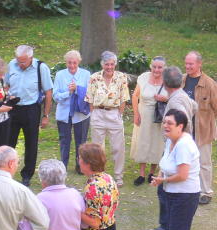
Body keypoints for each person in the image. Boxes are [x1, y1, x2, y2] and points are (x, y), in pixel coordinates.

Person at [150, 109, 200, 230]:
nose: (165, 126)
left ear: (181, 126)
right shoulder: (171, 141)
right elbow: (165, 163)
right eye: (164, 122)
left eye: (170, 123)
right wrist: (160, 176)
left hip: (185, 196)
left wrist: (163, 181)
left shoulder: (184, 145)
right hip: (171, 193)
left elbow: (183, 175)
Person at [145, 66, 197, 230]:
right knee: (164, 188)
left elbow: (183, 121)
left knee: (164, 188)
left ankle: (167, 227)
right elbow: (195, 107)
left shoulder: (175, 101)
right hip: (176, 145)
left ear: (165, 83)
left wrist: (177, 140)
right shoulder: (182, 96)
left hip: (176, 147)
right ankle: (168, 225)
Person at [5, 45, 53, 187]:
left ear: (31, 58)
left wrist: (45, 115)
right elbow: (6, 85)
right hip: (12, 108)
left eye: (23, 61)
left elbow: (49, 92)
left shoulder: (41, 68)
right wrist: (7, 95)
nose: (20, 64)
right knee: (8, 142)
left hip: (31, 110)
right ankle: (5, 172)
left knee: (31, 144)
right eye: (18, 61)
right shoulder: (11, 65)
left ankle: (27, 175)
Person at [85, 51, 130, 187]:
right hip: (98, 113)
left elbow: (124, 98)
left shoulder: (121, 77)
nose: (109, 67)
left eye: (112, 64)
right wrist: (93, 113)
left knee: (118, 147)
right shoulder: (94, 77)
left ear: (115, 64)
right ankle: (98, 175)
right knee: (97, 148)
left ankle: (118, 176)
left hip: (114, 114)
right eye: (106, 64)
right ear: (102, 64)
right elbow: (90, 98)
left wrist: (119, 114)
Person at [182, 51, 217, 205]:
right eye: (186, 63)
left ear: (199, 64)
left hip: (203, 131)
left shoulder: (209, 83)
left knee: (204, 162)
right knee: (186, 160)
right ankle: (189, 189)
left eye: (191, 64)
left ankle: (206, 192)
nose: (187, 66)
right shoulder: (182, 80)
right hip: (185, 129)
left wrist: (205, 121)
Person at [130, 56, 167, 186]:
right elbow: (135, 96)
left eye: (160, 67)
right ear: (151, 66)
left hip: (160, 116)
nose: (156, 70)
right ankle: (141, 174)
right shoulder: (143, 77)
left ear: (164, 68)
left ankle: (152, 172)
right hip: (144, 114)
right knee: (143, 142)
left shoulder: (168, 80)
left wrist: (164, 99)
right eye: (154, 66)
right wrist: (136, 114)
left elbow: (174, 97)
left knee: (157, 143)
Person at [53, 50, 91, 174]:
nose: (72, 65)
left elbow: (90, 93)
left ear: (79, 62)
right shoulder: (60, 75)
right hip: (64, 113)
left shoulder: (86, 74)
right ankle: (63, 165)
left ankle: (80, 166)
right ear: (66, 62)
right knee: (64, 140)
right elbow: (55, 96)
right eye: (69, 63)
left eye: (74, 62)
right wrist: (68, 93)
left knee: (81, 141)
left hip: (81, 113)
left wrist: (77, 90)